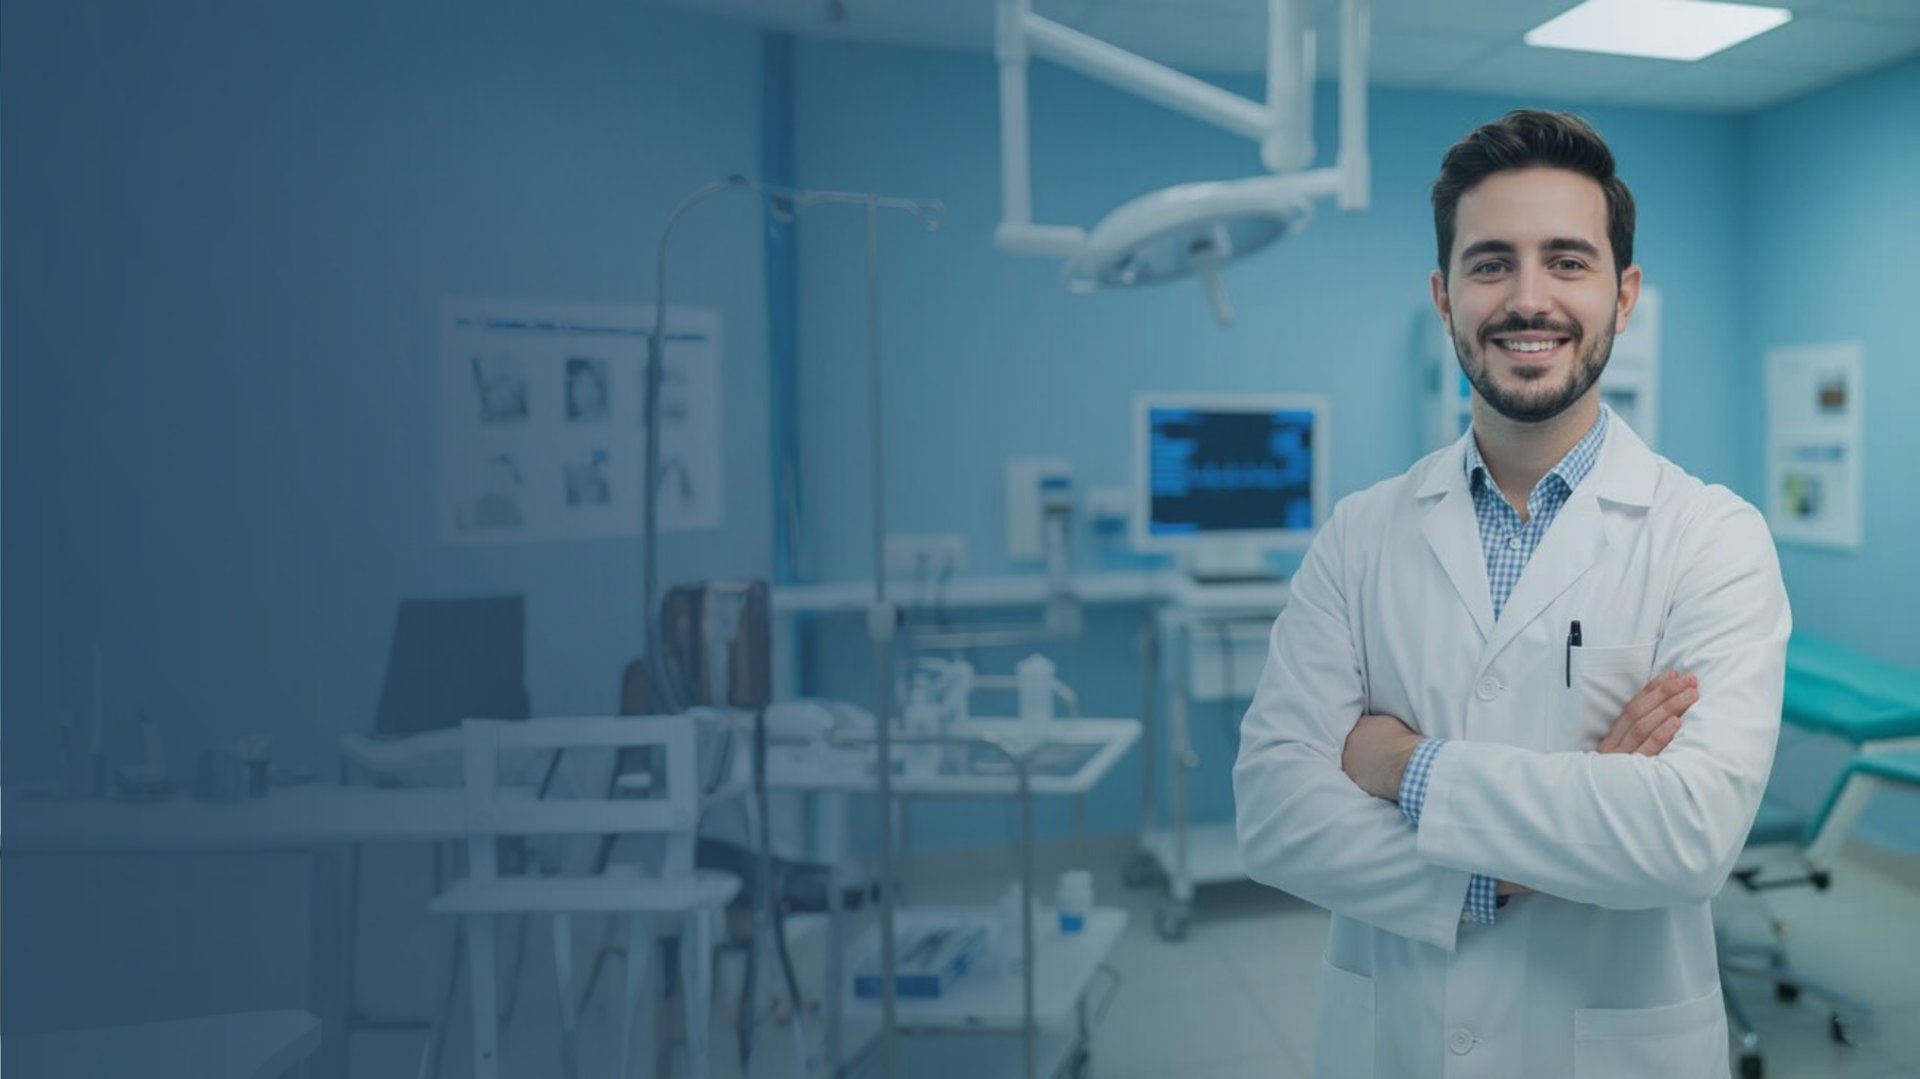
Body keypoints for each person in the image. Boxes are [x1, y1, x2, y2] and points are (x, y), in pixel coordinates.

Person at [1233, 109, 1789, 1079]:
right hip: (1396, 1041)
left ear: (1624, 295)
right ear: (1444, 295)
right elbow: (1277, 814)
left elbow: (1686, 835)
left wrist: (1401, 763)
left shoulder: (1712, 537)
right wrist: (1509, 866)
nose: (1529, 300)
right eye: (1491, 264)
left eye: (1567, 262)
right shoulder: (1361, 534)